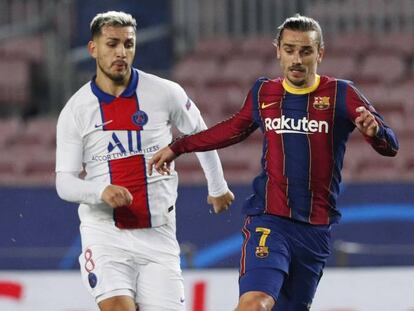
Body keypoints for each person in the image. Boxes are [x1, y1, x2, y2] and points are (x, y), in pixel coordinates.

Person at [149, 14, 399, 311]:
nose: (297, 59)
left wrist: (375, 133)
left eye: (306, 51)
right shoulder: (264, 93)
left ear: (320, 53)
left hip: (315, 230)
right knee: (256, 304)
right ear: (277, 50)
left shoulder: (341, 94)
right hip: (270, 220)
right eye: (290, 50)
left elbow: (391, 146)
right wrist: (180, 146)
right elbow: (231, 129)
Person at [55, 11, 234, 311]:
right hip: (105, 233)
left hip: (159, 233)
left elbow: (202, 136)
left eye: (128, 44)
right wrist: (99, 191)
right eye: (112, 44)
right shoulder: (77, 110)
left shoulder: (165, 92)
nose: (121, 52)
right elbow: (65, 181)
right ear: (93, 48)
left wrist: (217, 186)